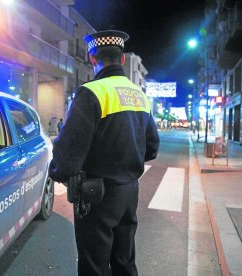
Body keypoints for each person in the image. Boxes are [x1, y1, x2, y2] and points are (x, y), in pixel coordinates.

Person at [48, 30, 159, 276]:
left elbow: (69, 149)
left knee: (94, 266)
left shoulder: (91, 92)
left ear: (91, 58)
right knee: (125, 260)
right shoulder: (139, 95)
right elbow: (152, 147)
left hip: (96, 194)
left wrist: (58, 172)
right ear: (122, 60)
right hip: (129, 192)